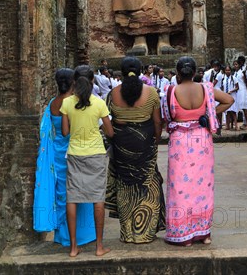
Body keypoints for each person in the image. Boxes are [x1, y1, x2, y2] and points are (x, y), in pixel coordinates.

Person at [161, 56, 233, 246]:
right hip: (201, 140)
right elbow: (229, 100)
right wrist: (209, 113)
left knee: (180, 187)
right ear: (195, 73)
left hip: (180, 142)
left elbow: (165, 117)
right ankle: (204, 233)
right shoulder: (206, 89)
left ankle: (183, 235)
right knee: (203, 187)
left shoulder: (170, 91)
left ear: (177, 73)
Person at [105, 56, 166, 243]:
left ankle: (128, 233)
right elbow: (157, 121)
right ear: (141, 71)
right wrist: (155, 140)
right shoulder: (151, 93)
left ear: (121, 72)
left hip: (121, 143)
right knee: (147, 184)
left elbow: (109, 120)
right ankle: (146, 233)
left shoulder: (113, 93)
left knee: (125, 185)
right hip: (145, 141)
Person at [33, 69, 96, 248]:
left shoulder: (53, 104)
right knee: (81, 191)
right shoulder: (74, 103)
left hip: (58, 155)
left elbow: (49, 131)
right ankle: (83, 234)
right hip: (76, 152)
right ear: (73, 82)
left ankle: (63, 235)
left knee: (62, 196)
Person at [60, 65, 114, 257]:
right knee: (98, 198)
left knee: (72, 198)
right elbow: (109, 131)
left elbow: (65, 132)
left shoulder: (67, 103)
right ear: (93, 81)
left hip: (75, 154)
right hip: (96, 155)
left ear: (75, 81)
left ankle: (73, 247)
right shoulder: (99, 103)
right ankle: (99, 247)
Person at [233, 57, 247, 130]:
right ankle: (244, 123)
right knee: (241, 108)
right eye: (234, 64)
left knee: (245, 108)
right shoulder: (236, 73)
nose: (236, 66)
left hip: (243, 91)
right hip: (238, 91)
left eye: (237, 64)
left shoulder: (243, 72)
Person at [220, 64, 239, 130]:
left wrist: (231, 91)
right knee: (227, 111)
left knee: (233, 111)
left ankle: (236, 125)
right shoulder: (223, 79)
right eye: (226, 70)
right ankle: (227, 125)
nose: (227, 71)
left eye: (229, 70)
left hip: (232, 96)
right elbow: (222, 87)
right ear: (224, 71)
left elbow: (237, 87)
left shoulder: (234, 78)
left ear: (231, 71)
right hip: (226, 96)